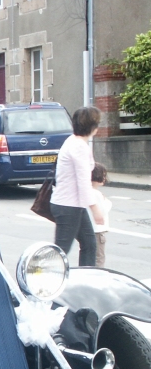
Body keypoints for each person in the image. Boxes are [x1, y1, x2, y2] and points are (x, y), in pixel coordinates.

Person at [49, 106, 104, 266]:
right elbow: (83, 182)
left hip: (71, 204)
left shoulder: (73, 141)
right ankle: (44, 275)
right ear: (92, 126)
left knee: (89, 244)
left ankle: (86, 277)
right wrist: (95, 209)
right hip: (68, 205)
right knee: (61, 250)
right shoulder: (79, 147)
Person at [91, 162, 112, 268]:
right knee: (99, 258)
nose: (105, 178)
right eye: (103, 175)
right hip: (98, 230)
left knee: (91, 256)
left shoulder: (86, 192)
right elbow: (104, 209)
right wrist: (106, 200)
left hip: (89, 229)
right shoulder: (96, 194)